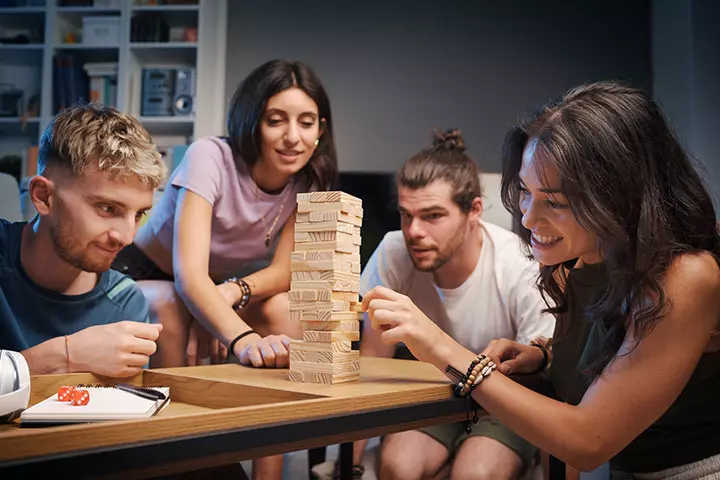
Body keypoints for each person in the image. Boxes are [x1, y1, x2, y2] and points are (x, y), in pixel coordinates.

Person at [363, 81, 720, 479]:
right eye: (525, 193)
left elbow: (588, 441)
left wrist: (440, 347)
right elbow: (615, 361)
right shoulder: (581, 260)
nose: (529, 219)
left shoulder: (688, 275)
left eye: (555, 202)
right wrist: (547, 358)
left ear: (620, 197)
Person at [111, 59, 338, 480]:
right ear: (252, 121)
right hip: (153, 273)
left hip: (216, 283)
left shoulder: (309, 178)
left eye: (307, 122)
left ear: (320, 128)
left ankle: (267, 469)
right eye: (276, 120)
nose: (294, 137)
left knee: (284, 310)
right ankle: (177, 457)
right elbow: (187, 274)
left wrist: (230, 294)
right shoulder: (209, 156)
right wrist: (241, 337)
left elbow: (285, 269)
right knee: (167, 306)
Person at [348, 130, 555, 480]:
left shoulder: (517, 264)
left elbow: (547, 379)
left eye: (432, 216)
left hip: (502, 405)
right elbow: (370, 367)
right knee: (397, 467)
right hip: (430, 397)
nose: (413, 231)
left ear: (474, 209)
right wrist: (349, 467)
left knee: (474, 474)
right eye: (405, 214)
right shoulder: (393, 250)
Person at [0, 104, 167, 377]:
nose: (126, 238)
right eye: (107, 208)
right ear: (43, 197)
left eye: (138, 215)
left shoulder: (125, 304)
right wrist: (66, 355)